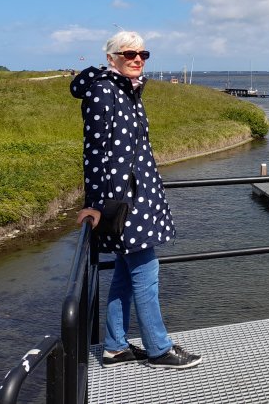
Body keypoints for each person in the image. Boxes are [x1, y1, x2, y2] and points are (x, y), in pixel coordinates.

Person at [71, 30, 201, 370]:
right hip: (122, 200)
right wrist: (96, 203)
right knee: (146, 271)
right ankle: (159, 348)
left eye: (143, 53)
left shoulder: (127, 90)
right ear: (112, 58)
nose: (137, 59)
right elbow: (95, 152)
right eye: (129, 54)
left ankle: (114, 346)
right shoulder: (103, 92)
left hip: (137, 196)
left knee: (126, 275)